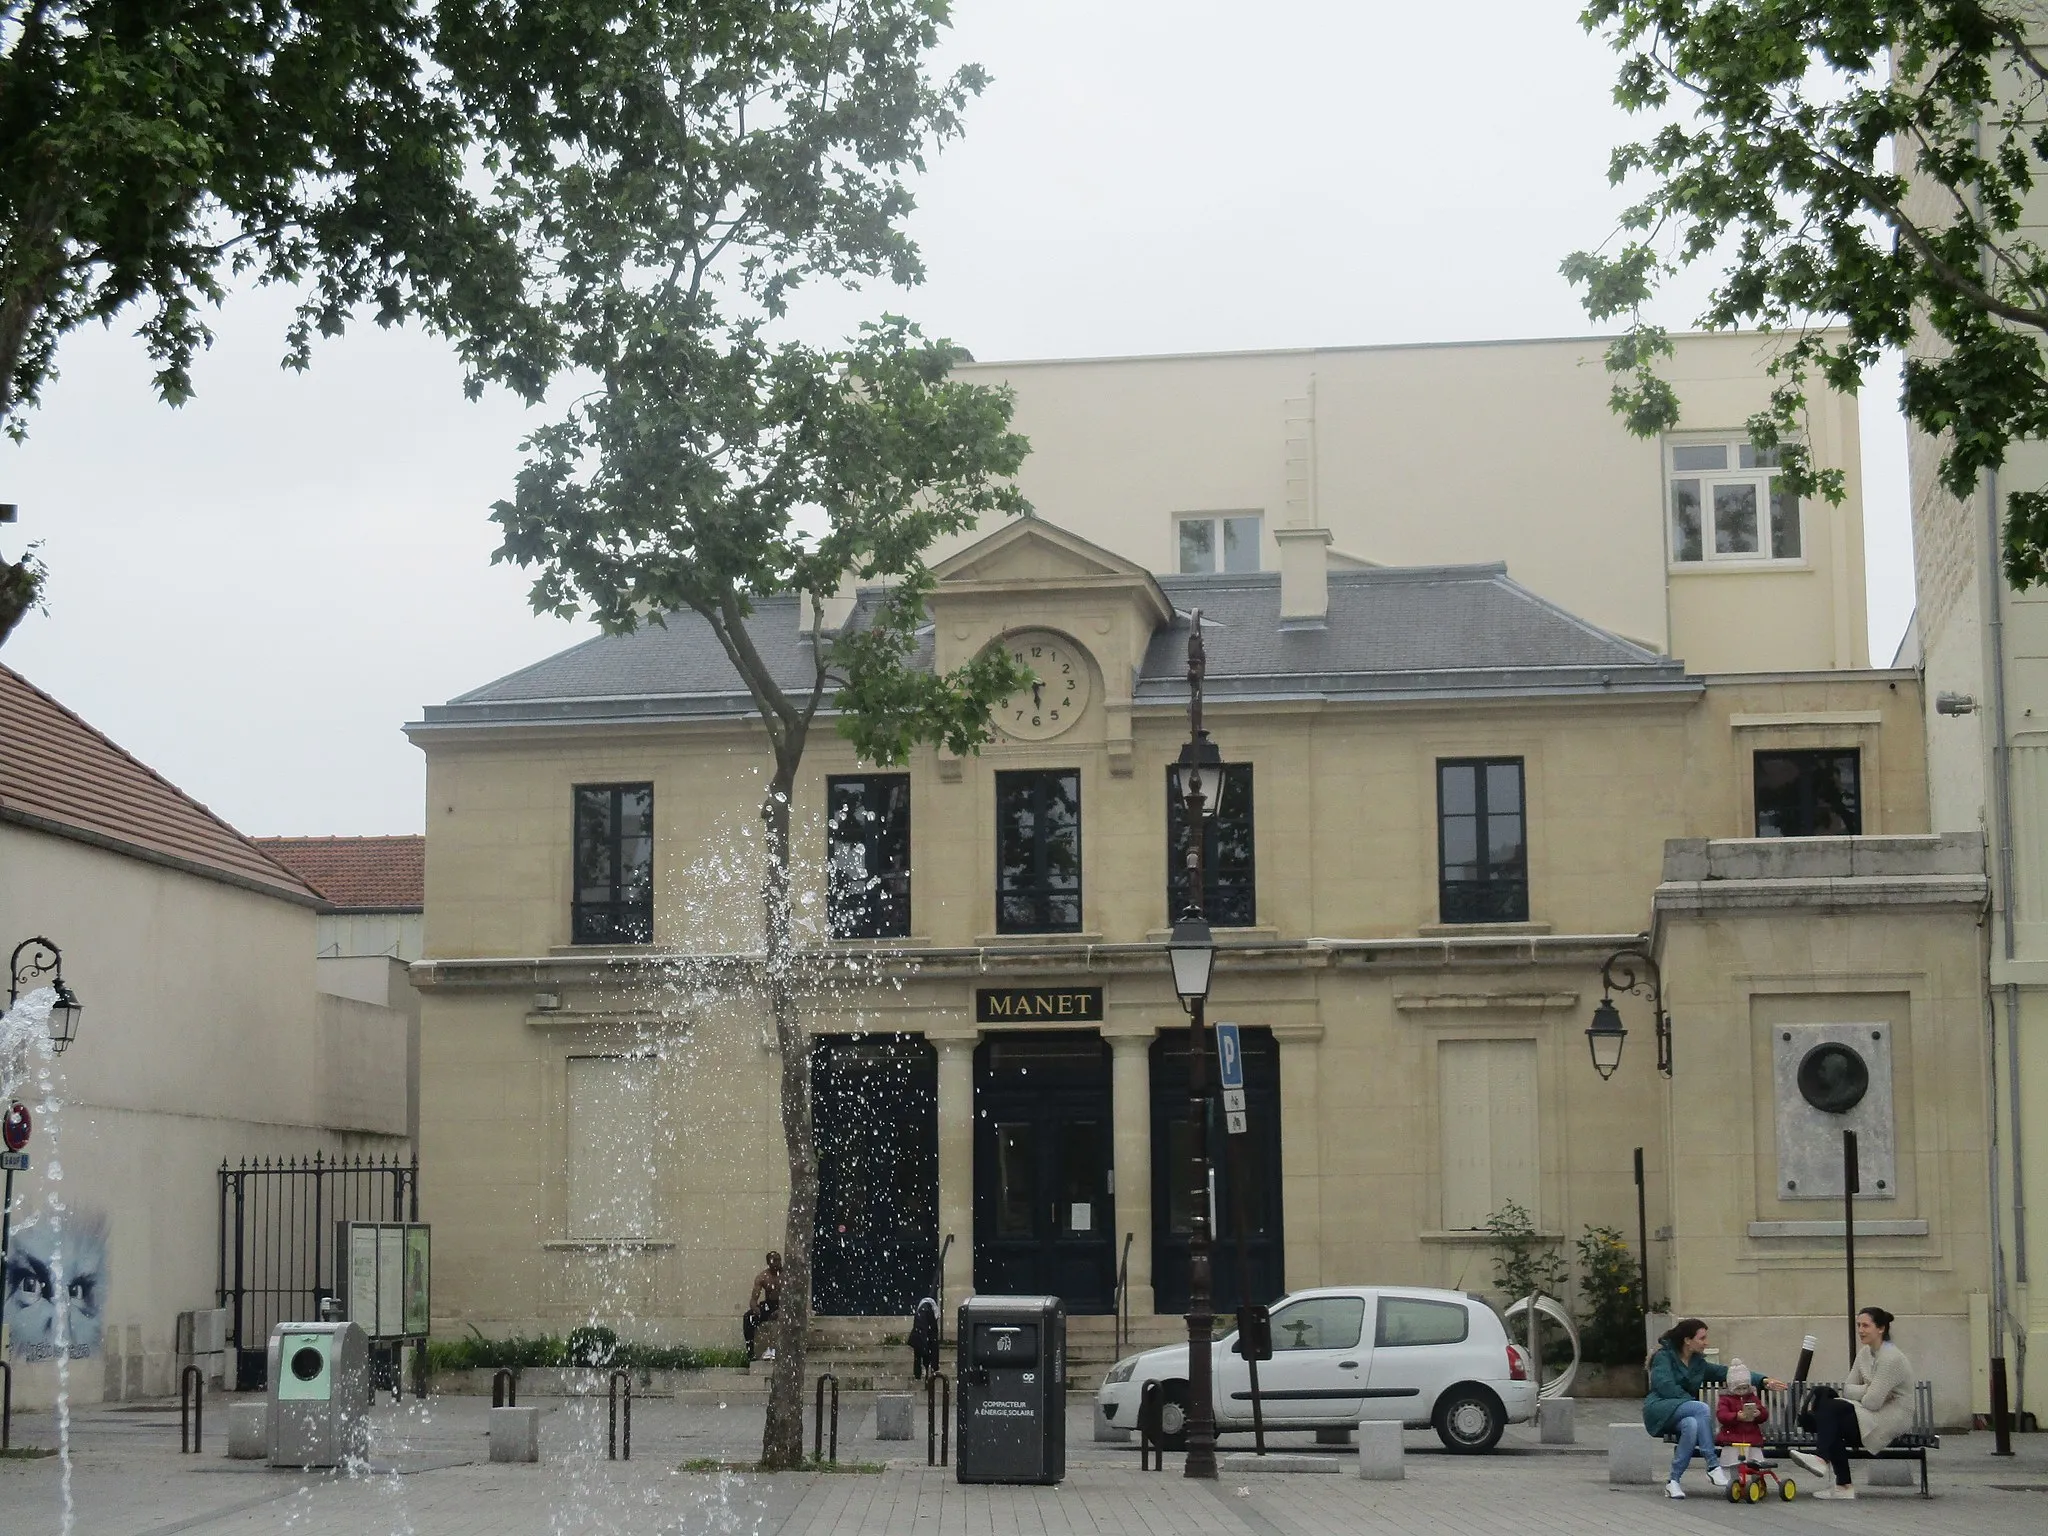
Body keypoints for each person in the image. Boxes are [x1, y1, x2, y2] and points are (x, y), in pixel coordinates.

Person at [1644, 1318, 1787, 1499]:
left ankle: (1673, 1481)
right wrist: (1691, 1404)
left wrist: (1764, 1380)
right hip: (1659, 1409)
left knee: (1691, 1425)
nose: (1706, 1343)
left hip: (1684, 1413)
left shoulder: (1699, 1364)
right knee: (1700, 1409)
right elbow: (1665, 1387)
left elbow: (1729, 1373)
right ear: (1688, 1340)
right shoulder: (1663, 1357)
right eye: (1702, 1338)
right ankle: (1712, 1465)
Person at [1790, 1307, 1914, 1500]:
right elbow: (1848, 1388)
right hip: (1868, 1413)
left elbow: (1873, 1403)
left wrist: (1869, 1392)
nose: (1861, 1330)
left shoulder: (1891, 1358)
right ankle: (1840, 1483)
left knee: (1830, 1414)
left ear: (1881, 1328)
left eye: (1866, 1325)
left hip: (1889, 1419)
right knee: (1826, 1405)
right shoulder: (1865, 1353)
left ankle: (1830, 1469)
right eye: (1858, 1325)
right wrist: (1871, 1388)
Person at [1715, 1360, 1771, 1467]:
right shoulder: (1726, 1399)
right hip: (1732, 1438)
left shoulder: (1752, 1397)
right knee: (1734, 1465)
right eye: (1738, 1388)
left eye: (1744, 1388)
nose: (1742, 1391)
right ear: (1731, 1387)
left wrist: (1758, 1414)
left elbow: (1764, 1414)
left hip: (1752, 1438)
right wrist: (1736, 1416)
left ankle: (1755, 1481)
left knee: (1755, 1464)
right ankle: (1735, 1481)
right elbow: (1722, 1415)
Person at [743, 1251, 783, 1363]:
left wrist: (781, 1310)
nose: (777, 1263)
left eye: (778, 1260)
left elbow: (792, 1297)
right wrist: (756, 1311)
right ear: (768, 1262)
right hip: (769, 1305)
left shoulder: (787, 1275)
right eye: (774, 1260)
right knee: (748, 1318)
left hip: (784, 1305)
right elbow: (753, 1300)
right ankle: (750, 1354)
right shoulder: (763, 1277)